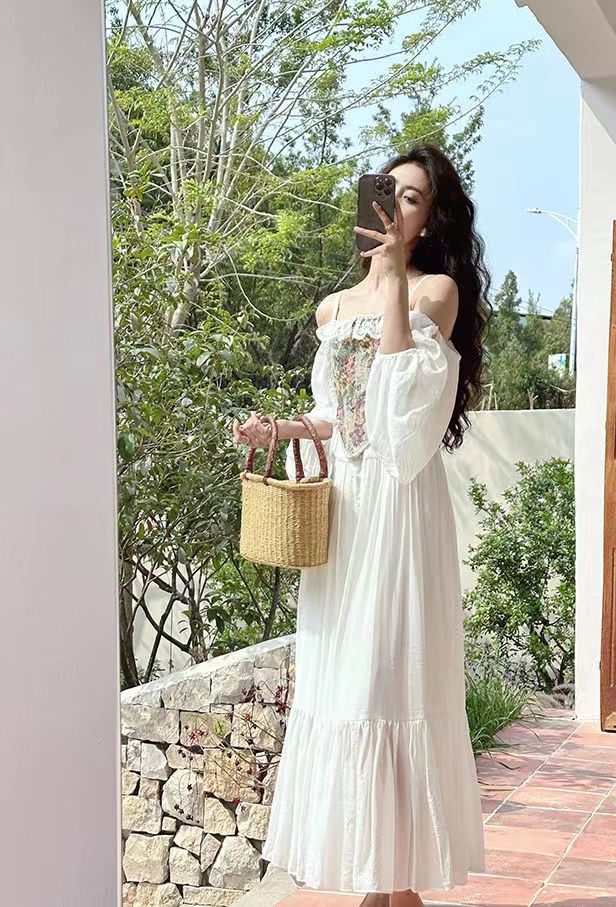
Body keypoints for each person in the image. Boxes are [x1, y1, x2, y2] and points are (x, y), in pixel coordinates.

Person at [232, 143, 492, 906]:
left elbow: (402, 414)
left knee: (390, 685)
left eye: (411, 198)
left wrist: (393, 280)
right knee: (345, 690)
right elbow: (337, 415)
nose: (395, 206)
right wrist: (278, 429)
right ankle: (382, 889)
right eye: (388, 191)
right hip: (345, 516)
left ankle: (396, 888)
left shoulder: (435, 293)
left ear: (429, 219)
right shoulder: (331, 309)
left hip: (398, 509)